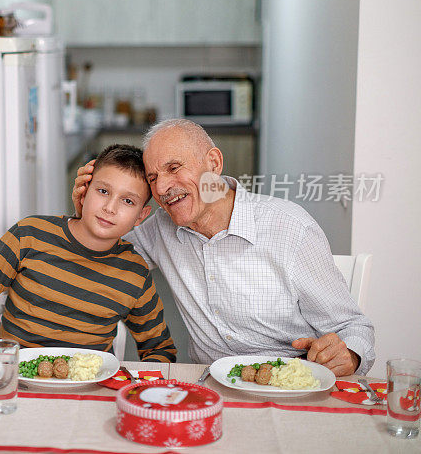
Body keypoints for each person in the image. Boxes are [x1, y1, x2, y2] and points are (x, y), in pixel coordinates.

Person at [72, 119, 375, 376]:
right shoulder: (160, 229)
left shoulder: (291, 228)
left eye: (174, 168)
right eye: (153, 178)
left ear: (214, 164)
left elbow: (354, 327)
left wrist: (349, 355)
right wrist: (88, 214)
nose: (163, 187)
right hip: (210, 385)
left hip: (289, 383)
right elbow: (95, 261)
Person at [0, 144, 177, 363]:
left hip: (87, 393)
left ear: (141, 215)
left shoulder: (134, 272)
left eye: (128, 201)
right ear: (84, 190)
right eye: (103, 191)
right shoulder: (30, 234)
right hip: (17, 385)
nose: (110, 207)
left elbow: (159, 348)